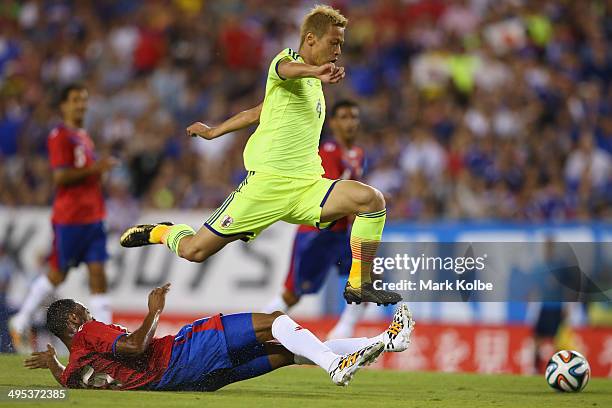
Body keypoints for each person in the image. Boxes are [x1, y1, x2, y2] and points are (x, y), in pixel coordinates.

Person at [119, 5, 401, 305]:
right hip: (265, 186)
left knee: (371, 200)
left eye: (341, 43)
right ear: (310, 39)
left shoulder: (314, 85)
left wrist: (216, 131)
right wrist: (315, 70)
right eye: (334, 42)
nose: (339, 49)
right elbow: (285, 70)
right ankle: (163, 232)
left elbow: (258, 111)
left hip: (307, 186)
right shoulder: (287, 61)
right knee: (194, 251)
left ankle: (359, 282)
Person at [24, 283, 415, 390]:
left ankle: (386, 341)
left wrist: (53, 364)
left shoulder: (75, 365)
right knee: (276, 321)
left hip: (187, 382)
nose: (90, 315)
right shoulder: (90, 332)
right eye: (84, 312)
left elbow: (69, 381)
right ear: (75, 320)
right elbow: (135, 346)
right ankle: (335, 365)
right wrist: (154, 308)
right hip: (179, 356)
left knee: (288, 352)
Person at [10, 83, 117, 352]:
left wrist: (99, 174)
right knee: (58, 274)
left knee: (98, 274)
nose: (81, 105)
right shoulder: (60, 136)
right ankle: (21, 319)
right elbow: (60, 176)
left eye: (84, 99)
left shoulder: (83, 135)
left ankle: (107, 340)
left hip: (93, 216)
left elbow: (85, 174)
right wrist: (95, 169)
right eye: (76, 100)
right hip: (70, 219)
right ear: (63, 105)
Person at [263, 99, 368, 338]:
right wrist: (364, 206)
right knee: (291, 295)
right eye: (343, 117)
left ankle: (339, 339)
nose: (350, 122)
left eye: (354, 116)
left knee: (367, 278)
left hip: (340, 234)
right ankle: (250, 334)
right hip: (317, 232)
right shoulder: (328, 151)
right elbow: (332, 194)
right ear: (332, 122)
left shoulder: (359, 154)